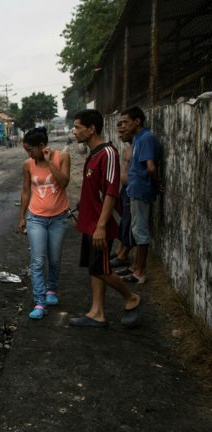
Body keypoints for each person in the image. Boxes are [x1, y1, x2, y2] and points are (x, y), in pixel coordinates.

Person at [68, 109, 142, 328]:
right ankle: (97, 312)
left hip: (99, 224)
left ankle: (131, 297)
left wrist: (101, 226)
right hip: (89, 221)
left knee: (100, 269)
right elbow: (96, 189)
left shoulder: (108, 153)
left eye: (78, 127)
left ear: (91, 129)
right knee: (95, 268)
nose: (75, 131)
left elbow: (111, 192)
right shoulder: (93, 153)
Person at [17, 127, 71, 319]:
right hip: (35, 218)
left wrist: (49, 163)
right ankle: (39, 303)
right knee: (38, 261)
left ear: (42, 146)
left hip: (58, 218)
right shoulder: (27, 164)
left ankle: (51, 290)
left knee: (54, 259)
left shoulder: (62, 157)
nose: (28, 154)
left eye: (30, 149)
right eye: (26, 150)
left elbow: (64, 182)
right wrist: (22, 216)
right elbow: (25, 191)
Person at [119, 106, 162, 284]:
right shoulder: (138, 139)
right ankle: (134, 267)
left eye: (127, 122)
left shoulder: (146, 138)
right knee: (136, 229)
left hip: (141, 189)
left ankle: (139, 272)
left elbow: (150, 166)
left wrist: (157, 183)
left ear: (137, 121)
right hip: (135, 189)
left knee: (140, 231)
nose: (124, 126)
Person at [110, 119, 135, 271]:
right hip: (125, 189)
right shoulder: (128, 148)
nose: (120, 136)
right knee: (124, 220)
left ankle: (124, 254)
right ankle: (121, 249)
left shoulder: (138, 147)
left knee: (129, 221)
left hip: (133, 189)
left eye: (123, 132)